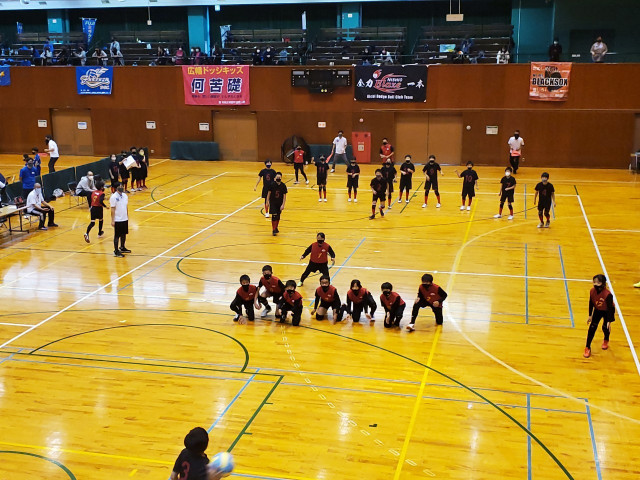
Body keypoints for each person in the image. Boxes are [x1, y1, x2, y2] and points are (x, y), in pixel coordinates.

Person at [584, 274, 615, 358]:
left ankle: (606, 339)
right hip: (598, 310)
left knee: (605, 327)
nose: (595, 284)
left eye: (598, 283)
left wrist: (609, 320)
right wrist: (590, 315)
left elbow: (610, 308)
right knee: (592, 328)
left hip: (606, 311)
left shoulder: (608, 294)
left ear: (603, 283)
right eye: (594, 282)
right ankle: (587, 347)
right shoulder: (592, 291)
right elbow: (591, 303)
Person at [110, 182, 130, 257]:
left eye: (122, 186)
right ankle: (116, 251)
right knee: (117, 235)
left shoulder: (125, 196)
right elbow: (112, 209)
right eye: (120, 186)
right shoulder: (113, 197)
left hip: (124, 218)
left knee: (124, 234)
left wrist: (127, 216)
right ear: (116, 188)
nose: (121, 187)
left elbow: (126, 206)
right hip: (117, 219)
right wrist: (113, 220)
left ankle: (122, 247)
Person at [265, 171, 287, 236]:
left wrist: (283, 204)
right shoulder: (272, 185)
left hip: (279, 203)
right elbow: (269, 193)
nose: (278, 178)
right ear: (275, 178)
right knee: (274, 215)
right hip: (273, 202)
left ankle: (276, 227)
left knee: (278, 216)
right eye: (277, 177)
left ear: (281, 178)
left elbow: (284, 196)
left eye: (279, 177)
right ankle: (274, 229)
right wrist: (267, 201)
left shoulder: (283, 186)